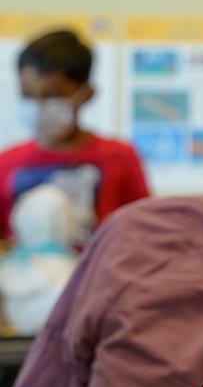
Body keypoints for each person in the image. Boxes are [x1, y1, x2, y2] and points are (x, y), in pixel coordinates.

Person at [0, 29, 150, 245]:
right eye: (28, 95)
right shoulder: (6, 163)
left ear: (86, 94)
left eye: (53, 95)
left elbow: (145, 233)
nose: (38, 106)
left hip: (99, 276)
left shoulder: (119, 157)